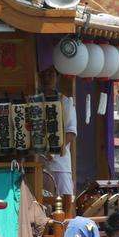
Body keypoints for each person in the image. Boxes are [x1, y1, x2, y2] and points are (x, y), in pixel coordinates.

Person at [39, 66, 77, 198]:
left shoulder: (65, 101)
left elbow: (71, 132)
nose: (46, 78)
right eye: (43, 74)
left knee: (65, 200)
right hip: (37, 163)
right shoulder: (33, 101)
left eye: (50, 74)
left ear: (57, 77)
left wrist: (51, 154)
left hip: (60, 164)